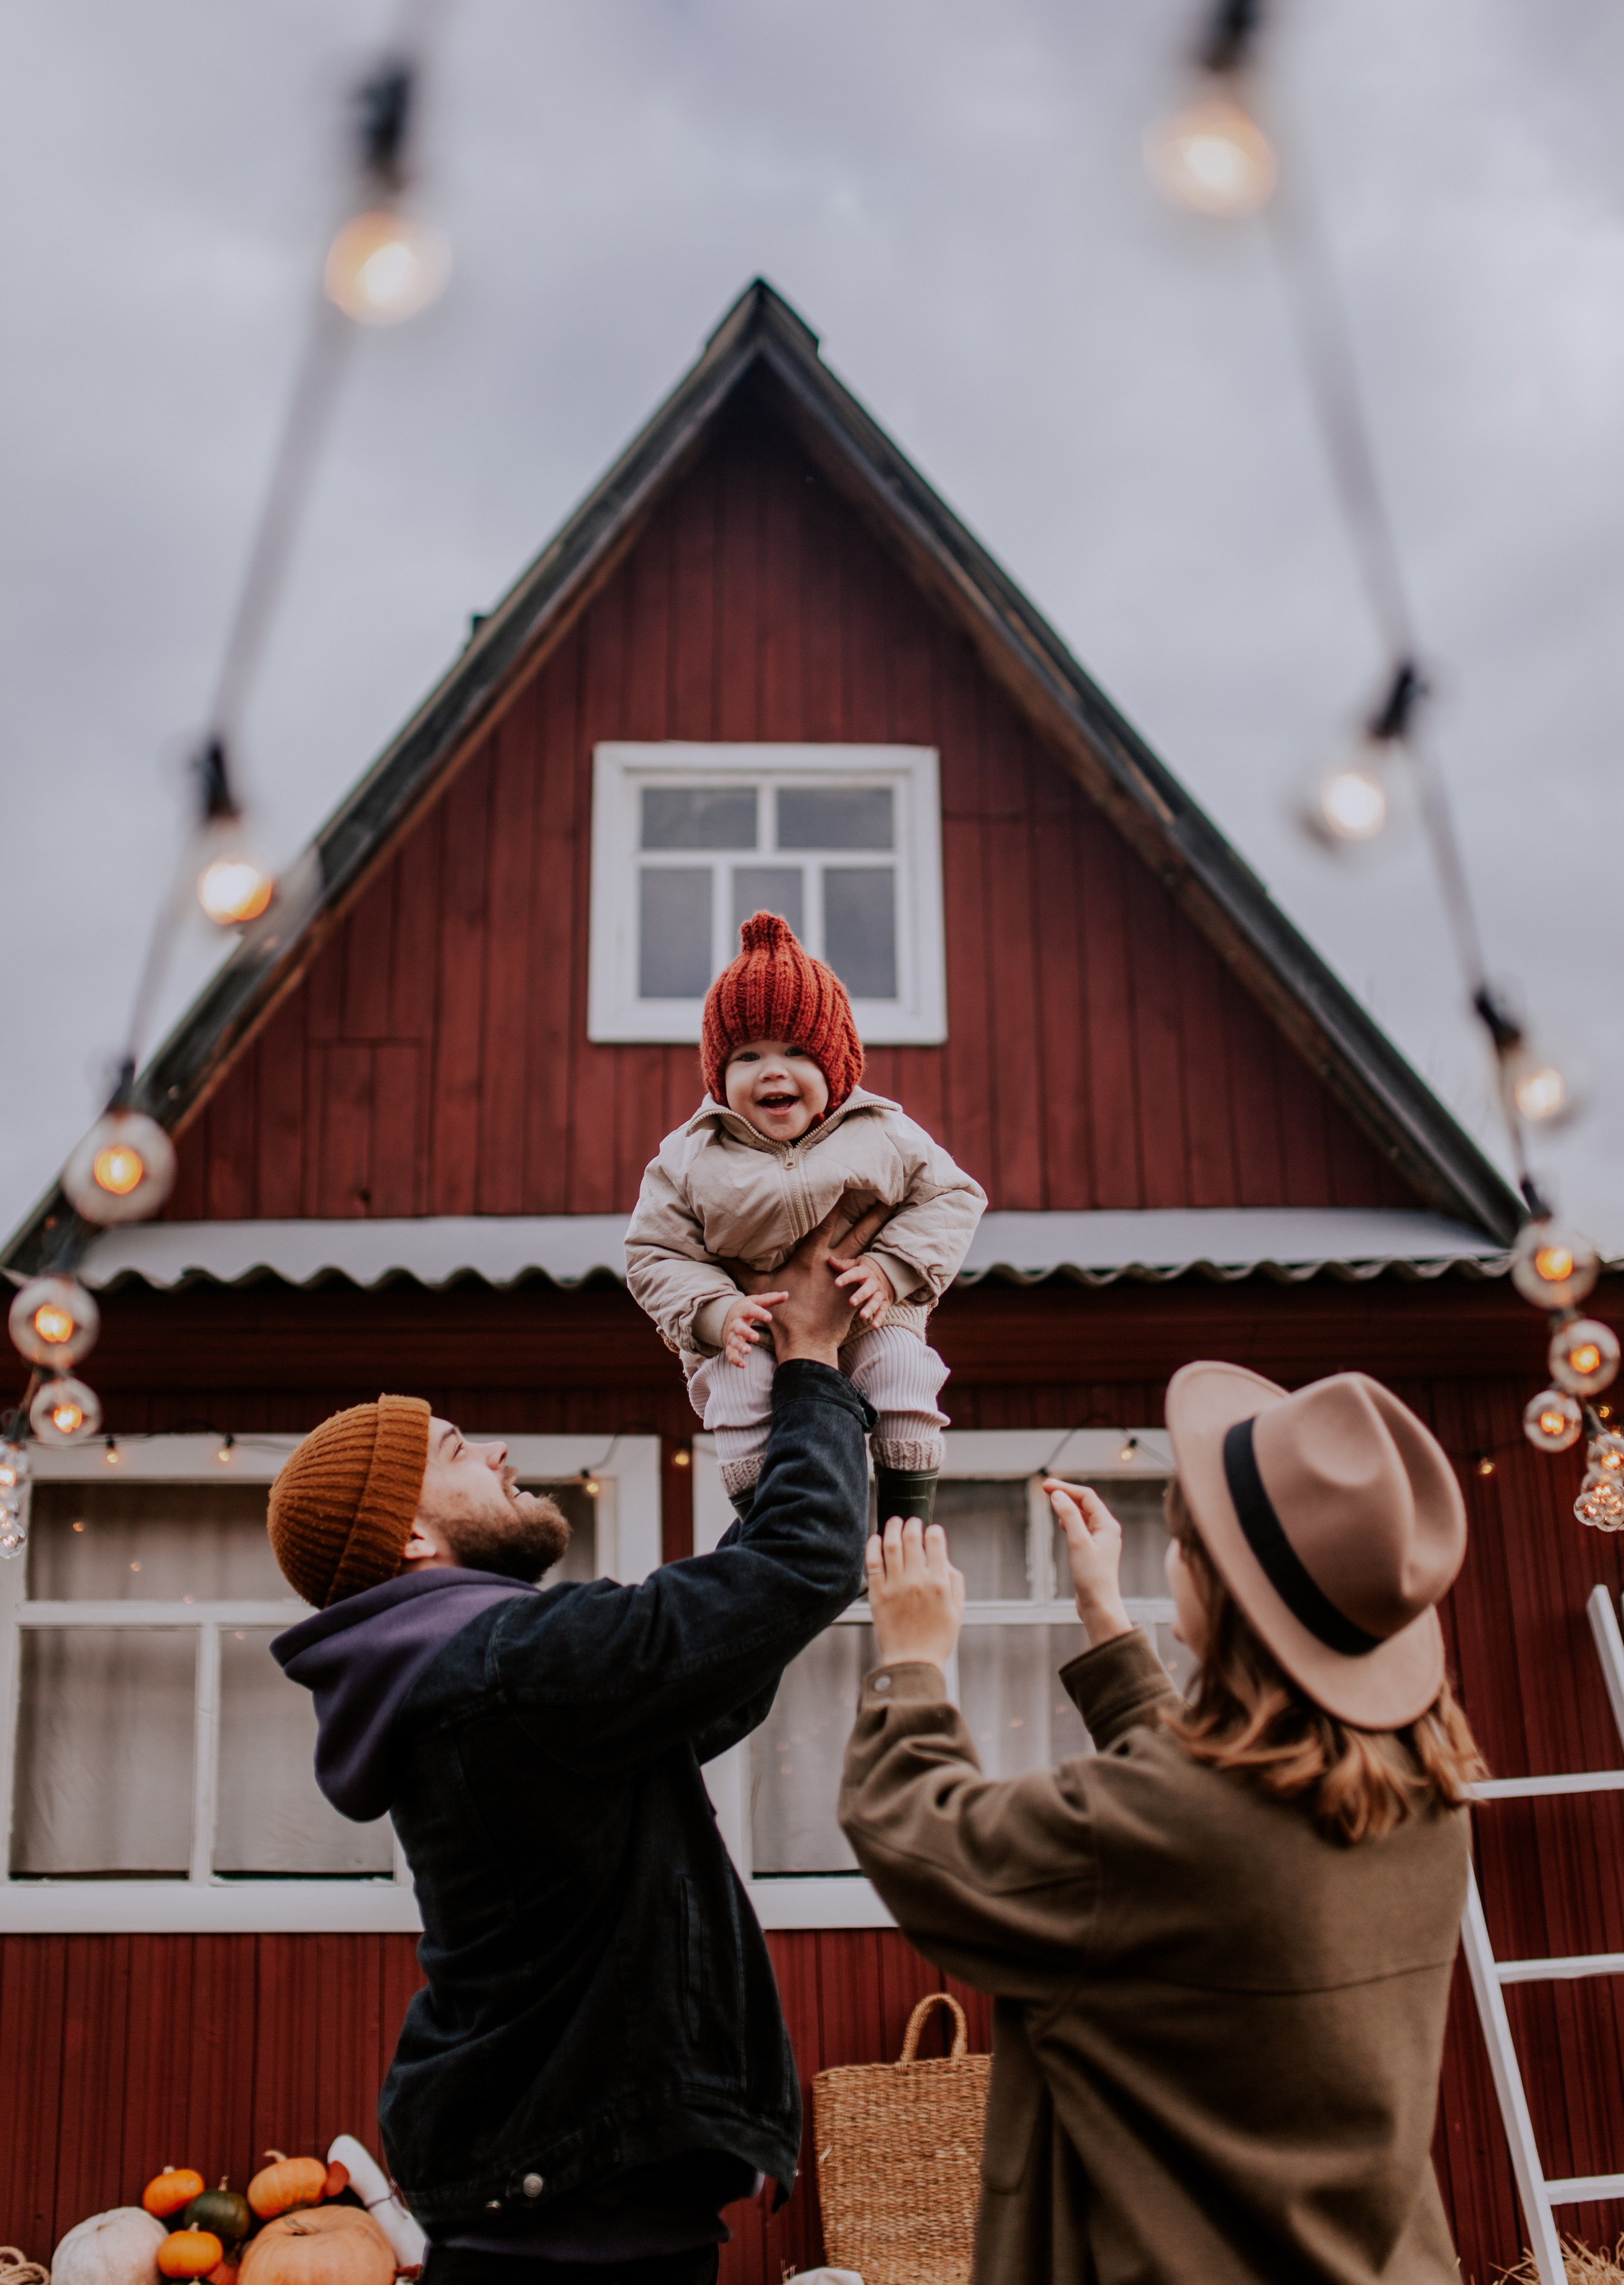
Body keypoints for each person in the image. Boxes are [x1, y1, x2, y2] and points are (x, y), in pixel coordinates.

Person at [266, 1198, 889, 2285]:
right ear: (409, 1535)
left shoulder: (473, 1674)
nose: (497, 1451)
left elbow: (722, 1670)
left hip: (562, 2204)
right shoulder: (508, 1665)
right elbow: (800, 1567)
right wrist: (812, 1364)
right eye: (458, 1450)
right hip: (576, 2226)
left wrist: (788, 1425)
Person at [839, 1359, 1486, 2285]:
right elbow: (1213, 1835)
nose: (1170, 1555)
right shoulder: (1420, 1794)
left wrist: (913, 1661)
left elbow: (914, 1829)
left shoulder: (1169, 1829)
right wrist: (1106, 1619)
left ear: (1216, 1591)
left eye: (1182, 1541)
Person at [624, 910, 985, 1525]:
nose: (772, 1069)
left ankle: (904, 1524)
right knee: (739, 1394)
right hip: (747, 1324)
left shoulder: (881, 1130)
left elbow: (952, 1197)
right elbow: (655, 1254)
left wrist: (891, 1269)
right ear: (718, 1075)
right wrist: (714, 1311)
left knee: (903, 1373)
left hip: (870, 1307)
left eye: (796, 1051)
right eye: (747, 1056)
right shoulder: (690, 1155)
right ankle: (773, 1533)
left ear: (835, 1064)